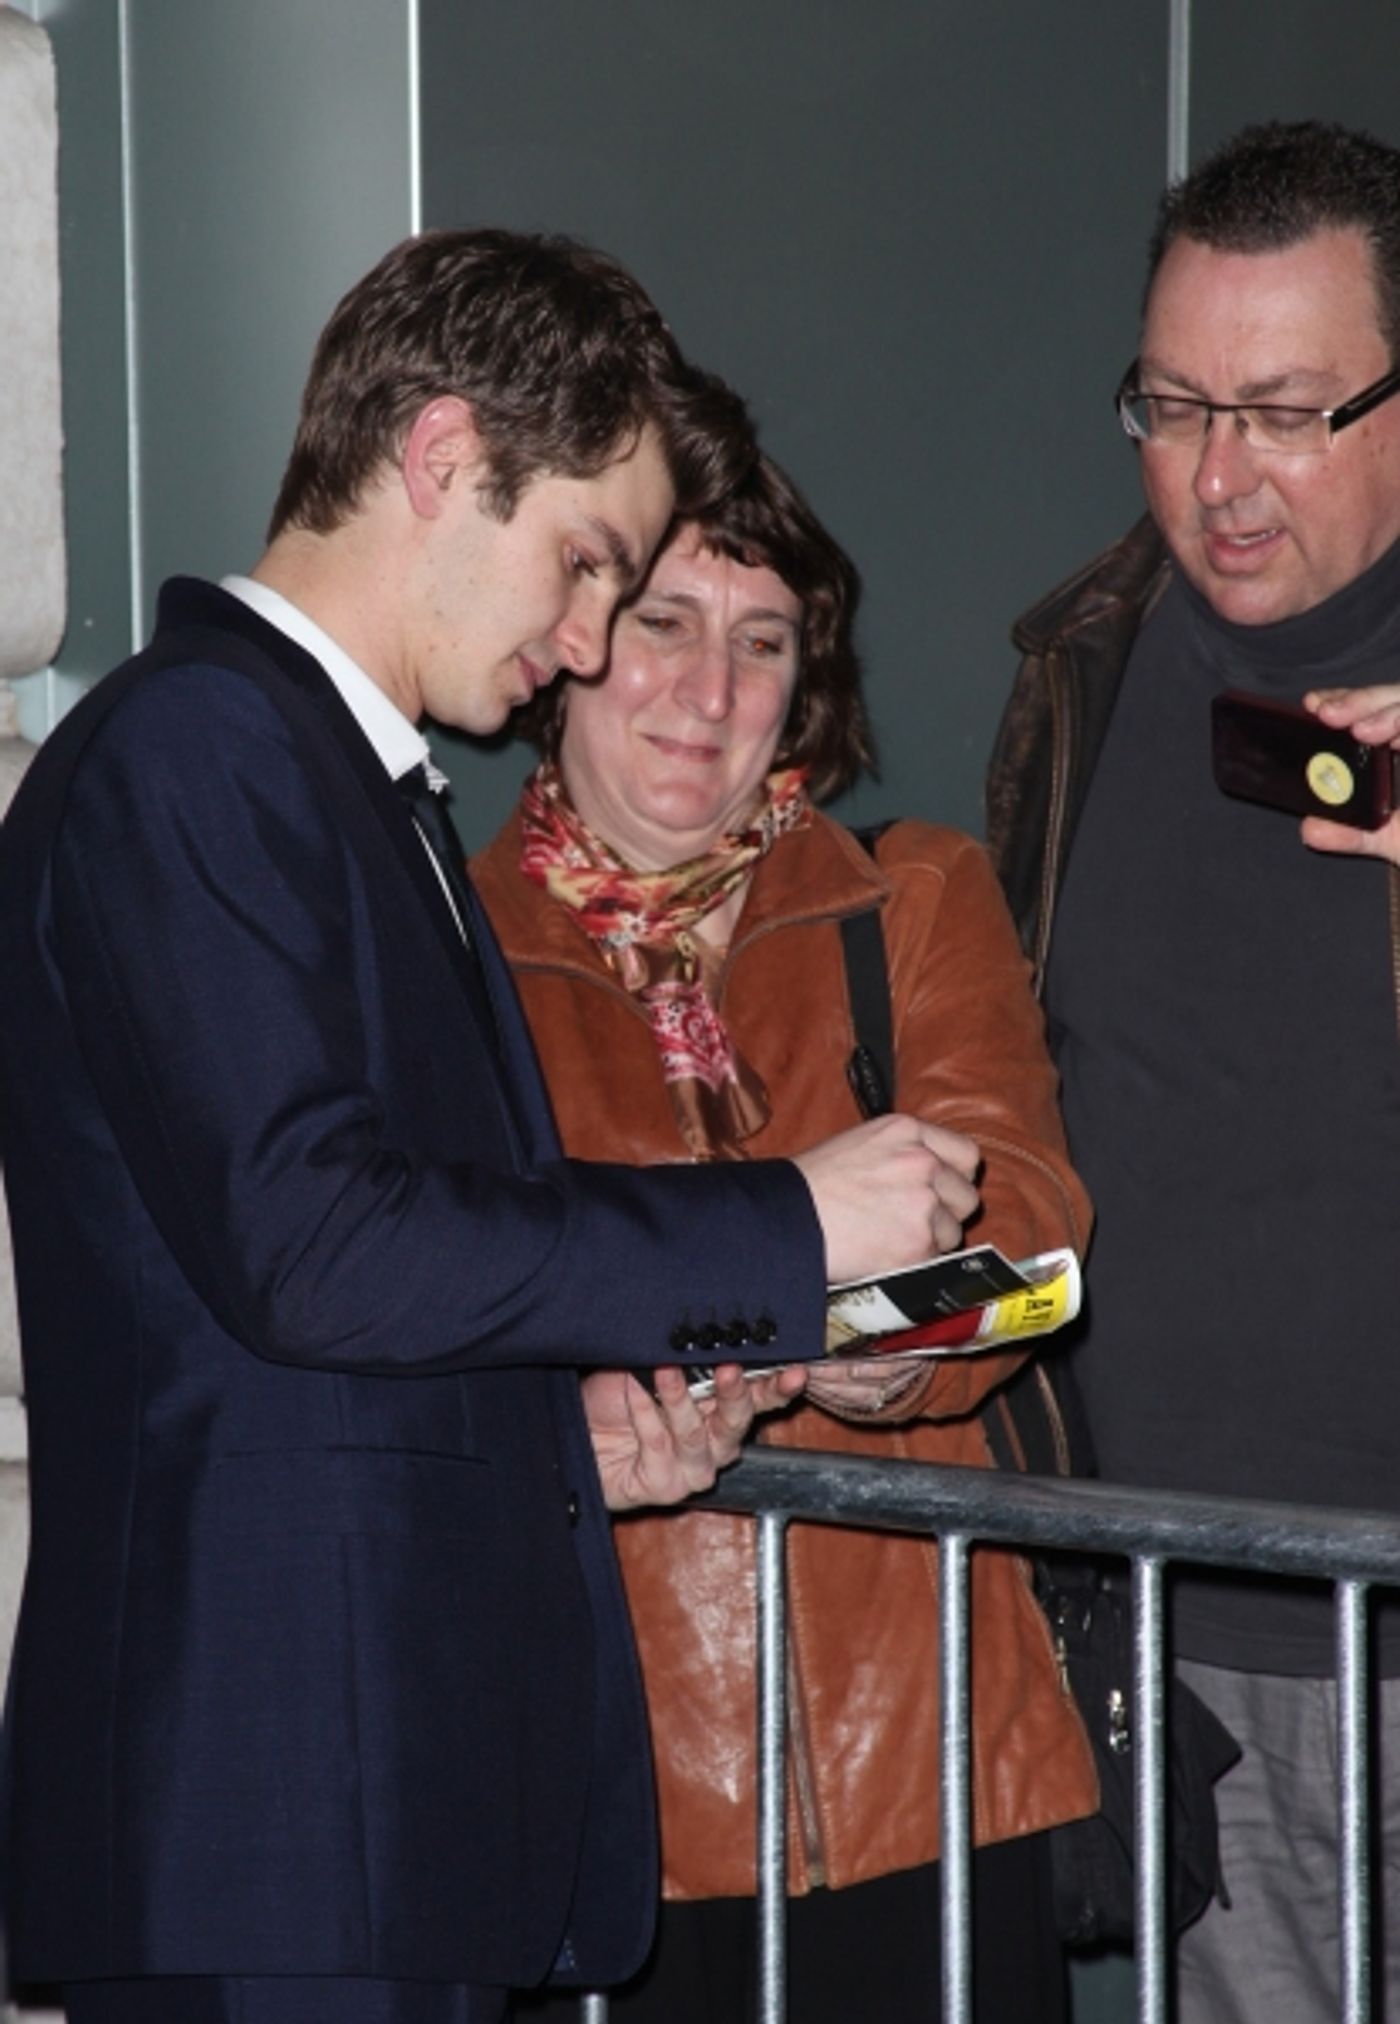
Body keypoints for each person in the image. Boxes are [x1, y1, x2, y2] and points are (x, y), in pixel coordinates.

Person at [0, 229, 968, 2024]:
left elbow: (291, 1316)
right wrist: (790, 1224)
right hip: (280, 1819)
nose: (588, 639)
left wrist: (551, 1435)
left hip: (351, 1814)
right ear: (443, 456)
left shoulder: (336, 780)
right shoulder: (202, 747)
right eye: (587, 561)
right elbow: (316, 1245)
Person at [473, 451, 1095, 2024]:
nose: (711, 690)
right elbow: (439, 1298)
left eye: (763, 642)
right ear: (569, 643)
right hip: (604, 1786)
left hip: (933, 1777)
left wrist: (876, 1350)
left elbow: (1032, 1263)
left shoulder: (914, 899)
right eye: (665, 623)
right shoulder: (445, 954)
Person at [986, 120, 1400, 2021]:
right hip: (1178, 1624)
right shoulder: (1083, 661)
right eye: (1172, 406)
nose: (1219, 478)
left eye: (1289, 412)